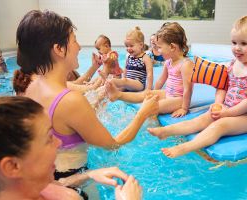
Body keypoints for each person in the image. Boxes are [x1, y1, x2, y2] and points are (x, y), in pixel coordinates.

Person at [15, 10, 158, 181]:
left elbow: (73, 120)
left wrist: (103, 95)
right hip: (74, 186)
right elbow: (113, 144)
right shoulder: (70, 101)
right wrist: (143, 112)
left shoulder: (29, 85)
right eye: (74, 41)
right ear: (59, 49)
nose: (79, 47)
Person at [147, 10, 247, 158]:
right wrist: (218, 104)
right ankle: (167, 131)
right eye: (234, 42)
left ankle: (186, 147)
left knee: (220, 126)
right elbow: (222, 86)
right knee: (201, 119)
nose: (237, 48)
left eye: (244, 43)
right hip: (227, 108)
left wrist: (227, 113)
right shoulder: (233, 65)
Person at [0, 94, 142, 200]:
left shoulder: (32, 186)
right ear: (12, 166)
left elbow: (57, 184)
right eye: (49, 138)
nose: (59, 142)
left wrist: (90, 175)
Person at [106, 22, 194, 118]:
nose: (158, 51)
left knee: (152, 107)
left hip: (179, 99)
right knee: (147, 94)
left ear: (172, 47)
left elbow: (187, 89)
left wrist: (184, 108)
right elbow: (161, 80)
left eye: (160, 47)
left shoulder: (186, 64)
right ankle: (118, 95)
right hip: (168, 93)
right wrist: (152, 94)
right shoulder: (168, 62)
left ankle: (144, 114)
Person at [110, 26, 153, 92]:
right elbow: (125, 70)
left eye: (131, 46)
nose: (128, 48)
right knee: (117, 89)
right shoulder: (128, 56)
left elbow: (150, 74)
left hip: (139, 84)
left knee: (123, 82)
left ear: (141, 45)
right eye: (127, 46)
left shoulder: (145, 58)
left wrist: (148, 89)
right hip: (127, 82)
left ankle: (111, 82)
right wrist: (123, 80)